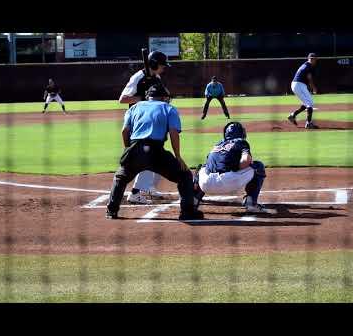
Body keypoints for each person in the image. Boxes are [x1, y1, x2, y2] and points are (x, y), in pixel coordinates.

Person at [106, 83, 204, 221]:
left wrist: (128, 150)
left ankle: (111, 211)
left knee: (121, 177)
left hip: (135, 148)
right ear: (163, 97)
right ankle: (187, 212)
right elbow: (173, 132)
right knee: (185, 176)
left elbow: (124, 131)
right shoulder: (169, 108)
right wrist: (178, 157)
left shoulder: (134, 107)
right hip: (156, 152)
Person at [118, 50, 171, 204]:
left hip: (153, 122)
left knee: (158, 153)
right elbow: (122, 99)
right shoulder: (138, 78)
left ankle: (148, 187)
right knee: (148, 155)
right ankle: (135, 193)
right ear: (154, 64)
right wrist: (143, 98)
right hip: (139, 123)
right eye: (162, 65)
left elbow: (164, 94)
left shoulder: (157, 77)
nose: (164, 68)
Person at [192, 121, 266, 213]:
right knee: (258, 166)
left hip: (205, 185)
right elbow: (246, 160)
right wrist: (236, 167)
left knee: (202, 167)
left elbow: (208, 162)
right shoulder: (241, 142)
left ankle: (193, 200)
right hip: (228, 182)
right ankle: (251, 203)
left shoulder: (218, 145)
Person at [287, 53, 319, 129]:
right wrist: (314, 88)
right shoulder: (309, 66)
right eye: (312, 59)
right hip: (299, 85)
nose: (313, 60)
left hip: (296, 84)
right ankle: (308, 123)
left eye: (314, 59)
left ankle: (292, 115)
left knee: (306, 103)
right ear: (310, 59)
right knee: (310, 103)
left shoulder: (305, 64)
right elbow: (309, 78)